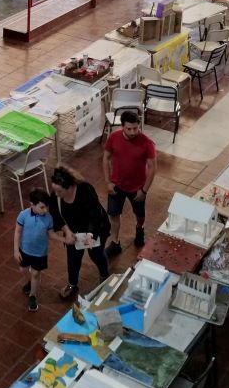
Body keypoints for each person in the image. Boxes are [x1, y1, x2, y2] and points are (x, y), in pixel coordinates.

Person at [48, 166, 110, 300]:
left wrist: (90, 234)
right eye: (55, 190)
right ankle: (72, 284)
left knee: (96, 254)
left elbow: (95, 214)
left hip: (95, 228)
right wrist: (67, 231)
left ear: (69, 187)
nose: (56, 194)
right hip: (73, 231)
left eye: (59, 191)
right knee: (73, 259)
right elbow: (56, 214)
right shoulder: (56, 196)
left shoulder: (85, 190)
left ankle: (105, 275)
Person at [102, 111, 156, 257]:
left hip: (137, 188)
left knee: (140, 214)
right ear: (122, 126)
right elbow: (106, 158)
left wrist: (144, 191)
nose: (133, 132)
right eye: (129, 129)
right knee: (113, 214)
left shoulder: (146, 142)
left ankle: (140, 228)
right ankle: (115, 242)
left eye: (135, 128)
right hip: (116, 185)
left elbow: (152, 167)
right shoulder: (113, 137)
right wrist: (108, 182)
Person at [14, 188, 62, 313]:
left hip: (40, 253)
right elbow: (18, 232)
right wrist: (16, 250)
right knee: (23, 269)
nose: (45, 210)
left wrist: (64, 239)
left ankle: (33, 296)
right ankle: (30, 282)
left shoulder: (48, 218)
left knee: (35, 273)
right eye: (41, 207)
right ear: (32, 205)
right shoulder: (23, 215)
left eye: (46, 207)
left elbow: (51, 234)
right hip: (25, 250)